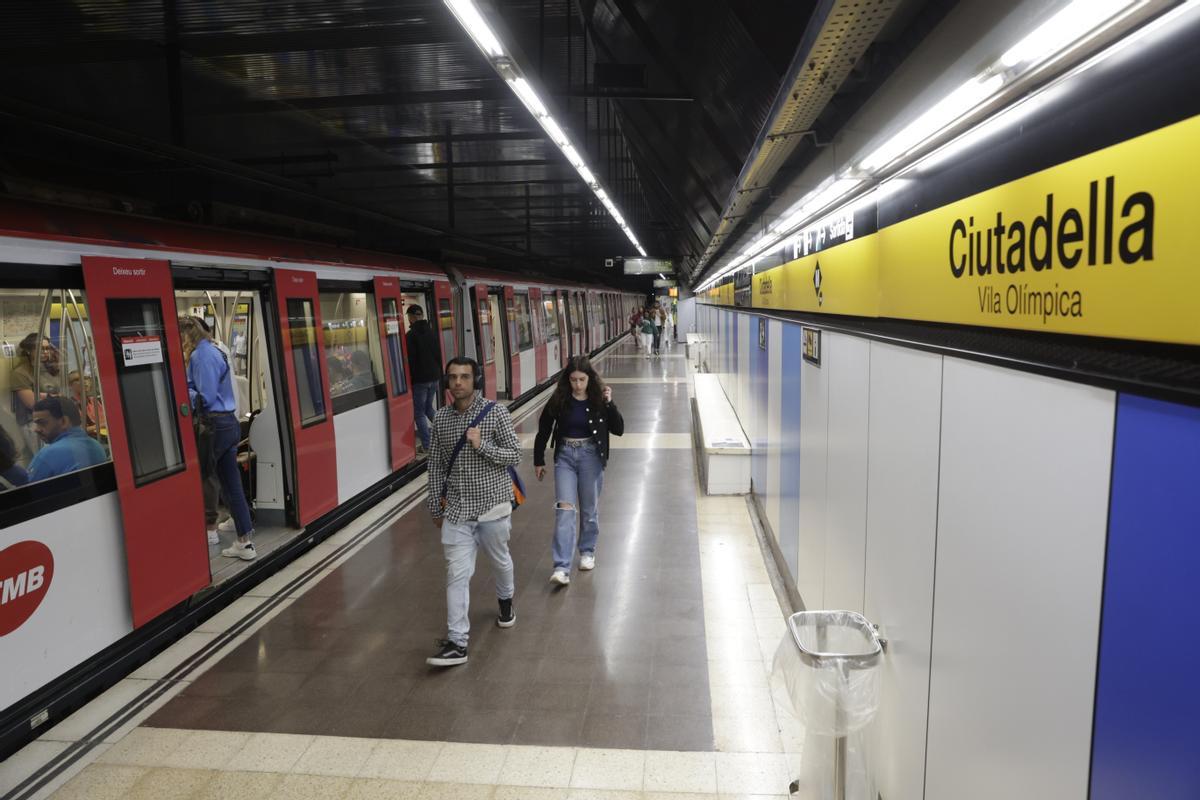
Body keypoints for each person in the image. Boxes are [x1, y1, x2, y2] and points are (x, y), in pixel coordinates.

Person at [425, 356, 521, 667]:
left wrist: (482, 446)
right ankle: (457, 642)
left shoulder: (496, 413)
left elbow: (514, 454)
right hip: (456, 511)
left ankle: (506, 602)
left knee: (500, 561)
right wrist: (434, 505)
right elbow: (436, 464)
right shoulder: (440, 419)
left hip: (493, 507)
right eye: (452, 377)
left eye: (465, 377)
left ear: (475, 380)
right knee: (456, 574)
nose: (458, 383)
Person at [533, 355, 624, 585]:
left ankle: (587, 551)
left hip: (590, 457)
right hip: (565, 456)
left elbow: (619, 428)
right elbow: (544, 428)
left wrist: (610, 403)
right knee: (565, 509)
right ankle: (561, 566)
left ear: (589, 378)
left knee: (589, 509)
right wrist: (538, 459)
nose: (578, 385)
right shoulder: (559, 399)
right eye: (573, 380)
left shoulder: (598, 399)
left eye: (582, 380)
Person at [180, 317, 256, 560]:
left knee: (204, 477)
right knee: (231, 484)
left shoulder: (200, 357)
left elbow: (206, 397)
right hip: (228, 423)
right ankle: (244, 542)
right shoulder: (216, 351)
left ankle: (208, 530)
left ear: (187, 336)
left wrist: (183, 390)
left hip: (213, 426)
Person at [26, 397, 106, 482]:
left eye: (42, 423)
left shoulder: (48, 454)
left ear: (64, 421)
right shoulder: (96, 446)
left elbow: (26, 490)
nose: (36, 429)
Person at [405, 304, 442, 453]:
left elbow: (410, 360)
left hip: (420, 380)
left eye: (409, 317)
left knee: (419, 412)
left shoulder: (410, 336)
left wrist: (411, 378)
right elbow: (438, 355)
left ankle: (427, 445)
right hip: (434, 377)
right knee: (428, 408)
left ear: (412, 317)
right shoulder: (432, 332)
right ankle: (445, 434)